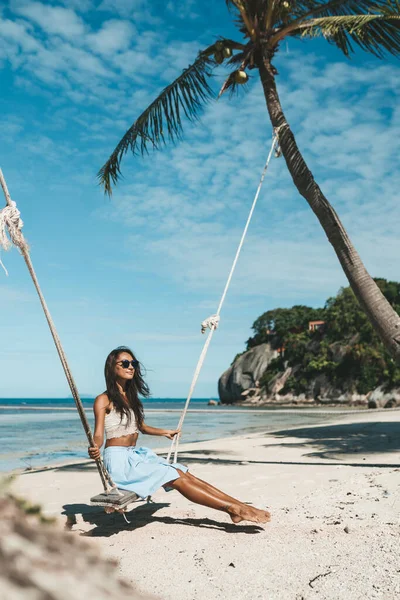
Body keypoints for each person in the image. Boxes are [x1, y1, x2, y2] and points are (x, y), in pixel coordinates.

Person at [88, 346, 271, 524]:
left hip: (134, 456)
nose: (131, 367)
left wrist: (165, 432)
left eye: (133, 363)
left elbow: (140, 427)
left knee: (183, 473)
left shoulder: (131, 396)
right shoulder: (103, 399)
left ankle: (237, 505)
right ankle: (231, 509)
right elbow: (98, 434)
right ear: (112, 367)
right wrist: (95, 448)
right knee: (176, 477)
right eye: (125, 363)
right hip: (120, 462)